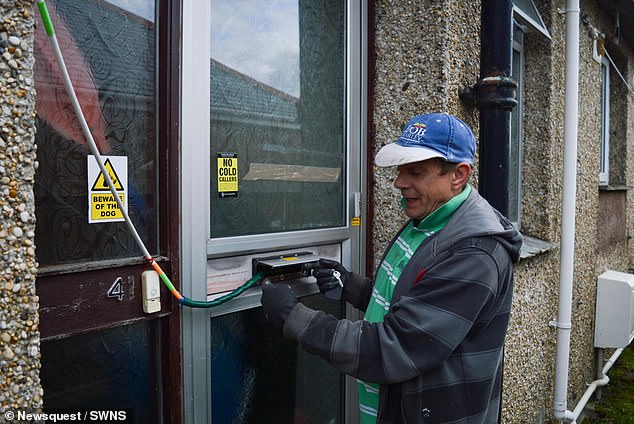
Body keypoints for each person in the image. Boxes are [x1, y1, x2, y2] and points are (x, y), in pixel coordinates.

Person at [260, 112, 522, 424]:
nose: (399, 182)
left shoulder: (474, 252)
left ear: (458, 175)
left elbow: (396, 346)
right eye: (400, 170)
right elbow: (413, 303)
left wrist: (296, 319)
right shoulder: (428, 220)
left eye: (415, 171)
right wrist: (354, 288)